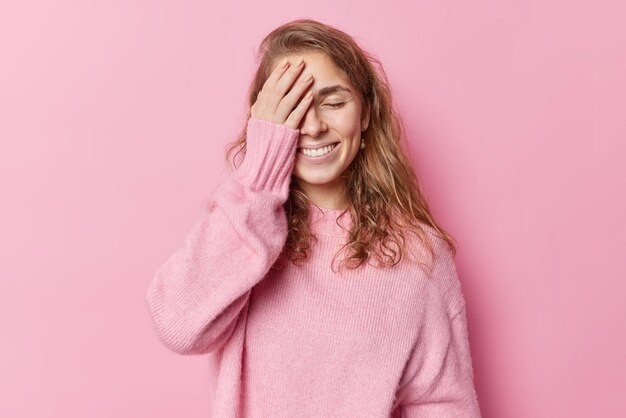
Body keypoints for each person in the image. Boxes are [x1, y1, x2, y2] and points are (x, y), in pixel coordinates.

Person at [145, 18, 482, 417]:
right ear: (265, 123)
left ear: (367, 112)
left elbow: (443, 403)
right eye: (292, 109)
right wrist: (259, 174)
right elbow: (180, 326)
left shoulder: (419, 254)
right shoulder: (243, 233)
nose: (315, 126)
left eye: (334, 103)